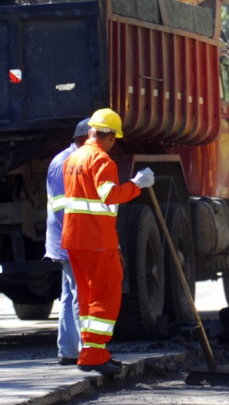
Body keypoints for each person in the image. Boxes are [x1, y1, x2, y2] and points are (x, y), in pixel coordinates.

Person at [62, 108, 156, 375]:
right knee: (105, 295)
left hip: (75, 239)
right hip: (96, 240)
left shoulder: (74, 159)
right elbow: (110, 196)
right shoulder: (103, 161)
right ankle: (94, 354)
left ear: (91, 130)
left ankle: (93, 352)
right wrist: (138, 184)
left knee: (88, 295)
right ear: (111, 137)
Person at [46, 119, 90, 365]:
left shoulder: (66, 159)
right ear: (85, 139)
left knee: (68, 292)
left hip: (65, 238)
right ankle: (85, 351)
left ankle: (68, 350)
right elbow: (64, 207)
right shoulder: (67, 162)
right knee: (78, 293)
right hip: (69, 239)